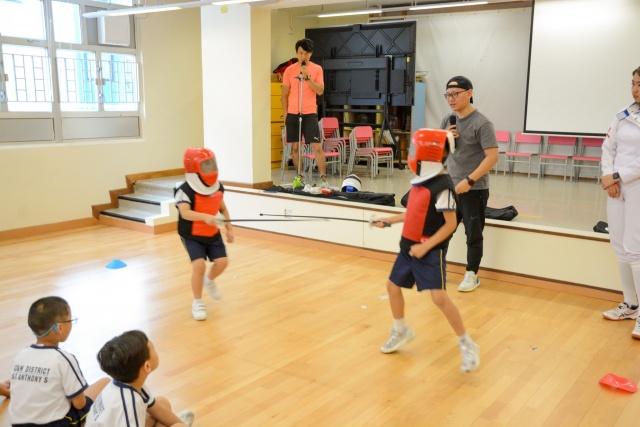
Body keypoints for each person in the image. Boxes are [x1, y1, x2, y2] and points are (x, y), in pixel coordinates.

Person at [373, 129, 480, 373]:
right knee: (392, 287)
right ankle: (401, 330)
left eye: (415, 149)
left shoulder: (443, 187)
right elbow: (413, 211)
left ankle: (467, 344)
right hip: (408, 248)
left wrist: (426, 246)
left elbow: (451, 225)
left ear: (428, 153)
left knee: (439, 298)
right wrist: (388, 220)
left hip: (429, 252)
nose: (412, 154)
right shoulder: (421, 180)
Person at [7, 296, 109, 426]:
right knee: (105, 382)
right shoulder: (63, 359)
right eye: (70, 320)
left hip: (17, 424)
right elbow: (79, 404)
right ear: (59, 328)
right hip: (57, 424)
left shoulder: (20, 356)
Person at [441, 76, 498, 292]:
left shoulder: (482, 123)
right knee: (443, 231)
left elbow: (492, 157)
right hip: (450, 187)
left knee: (473, 234)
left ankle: (472, 275)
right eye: (448, 95)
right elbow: (440, 154)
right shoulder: (447, 120)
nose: (451, 99)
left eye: (455, 94)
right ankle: (437, 270)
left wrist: (469, 180)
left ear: (469, 93)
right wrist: (445, 138)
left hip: (474, 188)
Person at [601, 66, 640, 338]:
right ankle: (631, 304)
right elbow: (608, 147)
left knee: (635, 249)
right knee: (619, 246)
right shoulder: (622, 114)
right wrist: (609, 177)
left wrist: (618, 176)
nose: (635, 89)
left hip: (636, 185)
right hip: (615, 187)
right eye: (633, 83)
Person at [86, 330, 194, 427]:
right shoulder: (129, 403)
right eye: (153, 348)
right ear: (147, 366)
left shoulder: (127, 382)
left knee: (162, 403)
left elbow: (157, 410)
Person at [175, 147, 234, 321]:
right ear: (193, 169)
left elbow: (222, 208)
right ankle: (198, 302)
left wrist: (229, 228)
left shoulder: (217, 188)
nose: (210, 169)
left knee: (222, 262)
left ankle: (209, 280)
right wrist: (205, 217)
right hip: (192, 236)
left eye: (211, 164)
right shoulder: (184, 190)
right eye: (205, 165)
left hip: (212, 234)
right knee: (199, 266)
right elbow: (185, 213)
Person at [281, 38, 327, 189]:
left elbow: (320, 91)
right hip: (293, 113)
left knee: (317, 146)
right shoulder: (289, 70)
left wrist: (307, 77)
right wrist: (286, 114)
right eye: (301, 53)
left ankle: (323, 179)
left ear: (311, 54)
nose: (303, 56)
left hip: (309, 112)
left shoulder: (317, 69)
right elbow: (284, 95)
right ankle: (300, 177)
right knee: (295, 147)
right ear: (297, 53)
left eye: (306, 53)